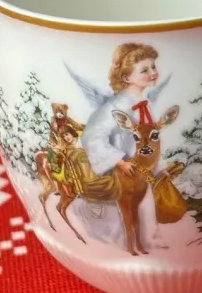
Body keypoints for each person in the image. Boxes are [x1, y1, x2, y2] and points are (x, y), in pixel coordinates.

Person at [67, 44, 173, 251]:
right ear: (126, 77)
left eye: (153, 67)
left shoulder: (145, 104)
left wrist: (158, 168)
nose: (153, 72)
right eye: (144, 69)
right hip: (124, 170)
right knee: (130, 207)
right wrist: (118, 161)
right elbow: (92, 135)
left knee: (148, 205)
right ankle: (128, 246)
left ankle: (147, 244)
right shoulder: (114, 107)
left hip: (142, 169)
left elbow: (149, 141)